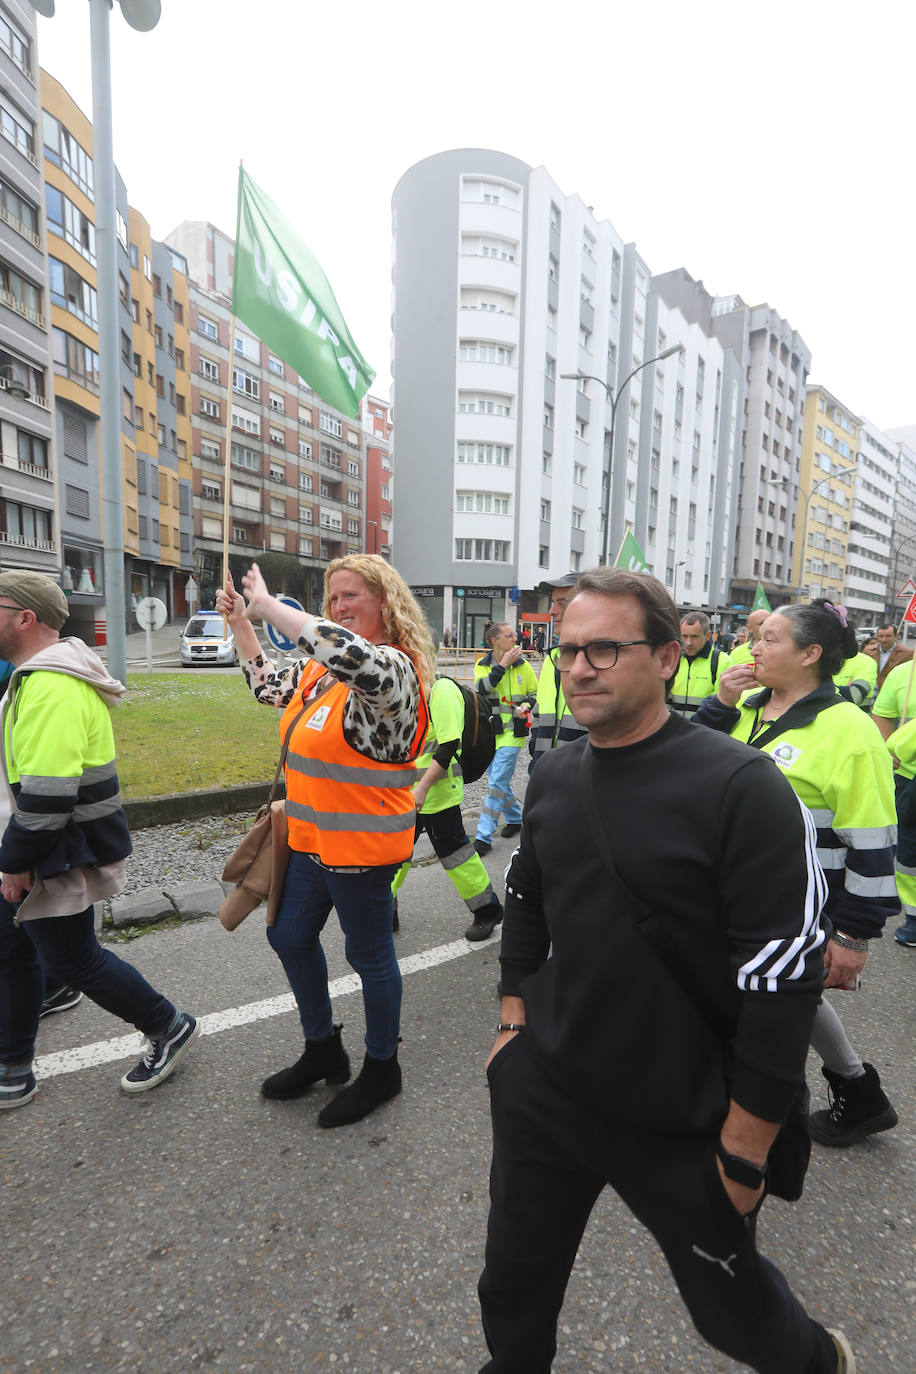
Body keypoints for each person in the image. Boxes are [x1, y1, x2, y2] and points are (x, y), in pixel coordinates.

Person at [478, 568, 853, 1374]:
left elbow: (784, 983)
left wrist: (745, 1150)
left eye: (605, 649)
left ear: (668, 658)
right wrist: (513, 1022)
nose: (578, 667)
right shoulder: (555, 773)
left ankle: (825, 1362)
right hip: (548, 1088)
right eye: (567, 649)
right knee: (512, 1284)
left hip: (684, 1114)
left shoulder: (740, 786)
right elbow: (529, 899)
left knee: (733, 1317)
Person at [216, 555, 435, 1128]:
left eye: (350, 596)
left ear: (385, 602)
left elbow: (351, 655)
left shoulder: (395, 671)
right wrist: (244, 624)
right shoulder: (320, 674)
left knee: (369, 957)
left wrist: (271, 607)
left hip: (362, 849)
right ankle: (324, 1050)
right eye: (333, 598)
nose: (338, 607)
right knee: (288, 935)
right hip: (312, 841)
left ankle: (382, 1067)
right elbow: (268, 687)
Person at [694, 600, 899, 1148]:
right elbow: (686, 759)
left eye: (769, 638)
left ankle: (754, 1138)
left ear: (810, 654)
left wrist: (854, 935)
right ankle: (858, 1093)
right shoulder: (745, 708)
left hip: (803, 905)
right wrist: (720, 703)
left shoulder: (850, 732)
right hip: (731, 896)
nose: (752, 646)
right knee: (790, 995)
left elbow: (873, 840)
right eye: (754, 636)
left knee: (771, 1003)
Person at [0, 571, 198, 1109]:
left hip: (55, 851)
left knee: (74, 958)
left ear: (25, 617)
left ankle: (168, 1024)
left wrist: (14, 864)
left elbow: (46, 799)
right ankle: (13, 1062)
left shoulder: (50, 686)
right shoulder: (34, 678)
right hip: (47, 847)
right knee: (14, 949)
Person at [392, 675, 503, 942]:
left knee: (456, 855)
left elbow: (448, 744)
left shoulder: (441, 690)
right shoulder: (411, 688)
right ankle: (384, 908)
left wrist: (422, 789)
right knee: (393, 850)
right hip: (406, 792)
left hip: (436, 793)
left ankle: (488, 911)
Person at [473, 622, 538, 857]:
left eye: (515, 635)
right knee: (498, 782)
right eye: (509, 635)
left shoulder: (524, 666)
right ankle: (514, 819)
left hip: (514, 734)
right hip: (491, 734)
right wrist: (502, 666)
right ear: (495, 641)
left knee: (496, 783)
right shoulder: (481, 666)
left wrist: (526, 705)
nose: (515, 639)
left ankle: (483, 836)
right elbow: (482, 689)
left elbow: (534, 694)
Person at [527, 574, 588, 771]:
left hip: (583, 783)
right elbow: (539, 710)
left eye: (561, 603)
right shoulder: (551, 658)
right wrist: (536, 753)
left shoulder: (604, 662)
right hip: (546, 776)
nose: (552, 611)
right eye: (553, 603)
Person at [668, 610, 732, 719]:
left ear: (707, 635)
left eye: (694, 637)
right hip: (673, 731)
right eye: (684, 636)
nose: (688, 643)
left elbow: (724, 706)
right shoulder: (672, 659)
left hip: (704, 732)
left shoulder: (723, 662)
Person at [865, 622, 912, 690]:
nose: (884, 640)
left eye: (888, 636)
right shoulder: (868, 651)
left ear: (896, 636)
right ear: (877, 636)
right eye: (881, 636)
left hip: (892, 692)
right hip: (870, 691)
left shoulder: (908, 654)